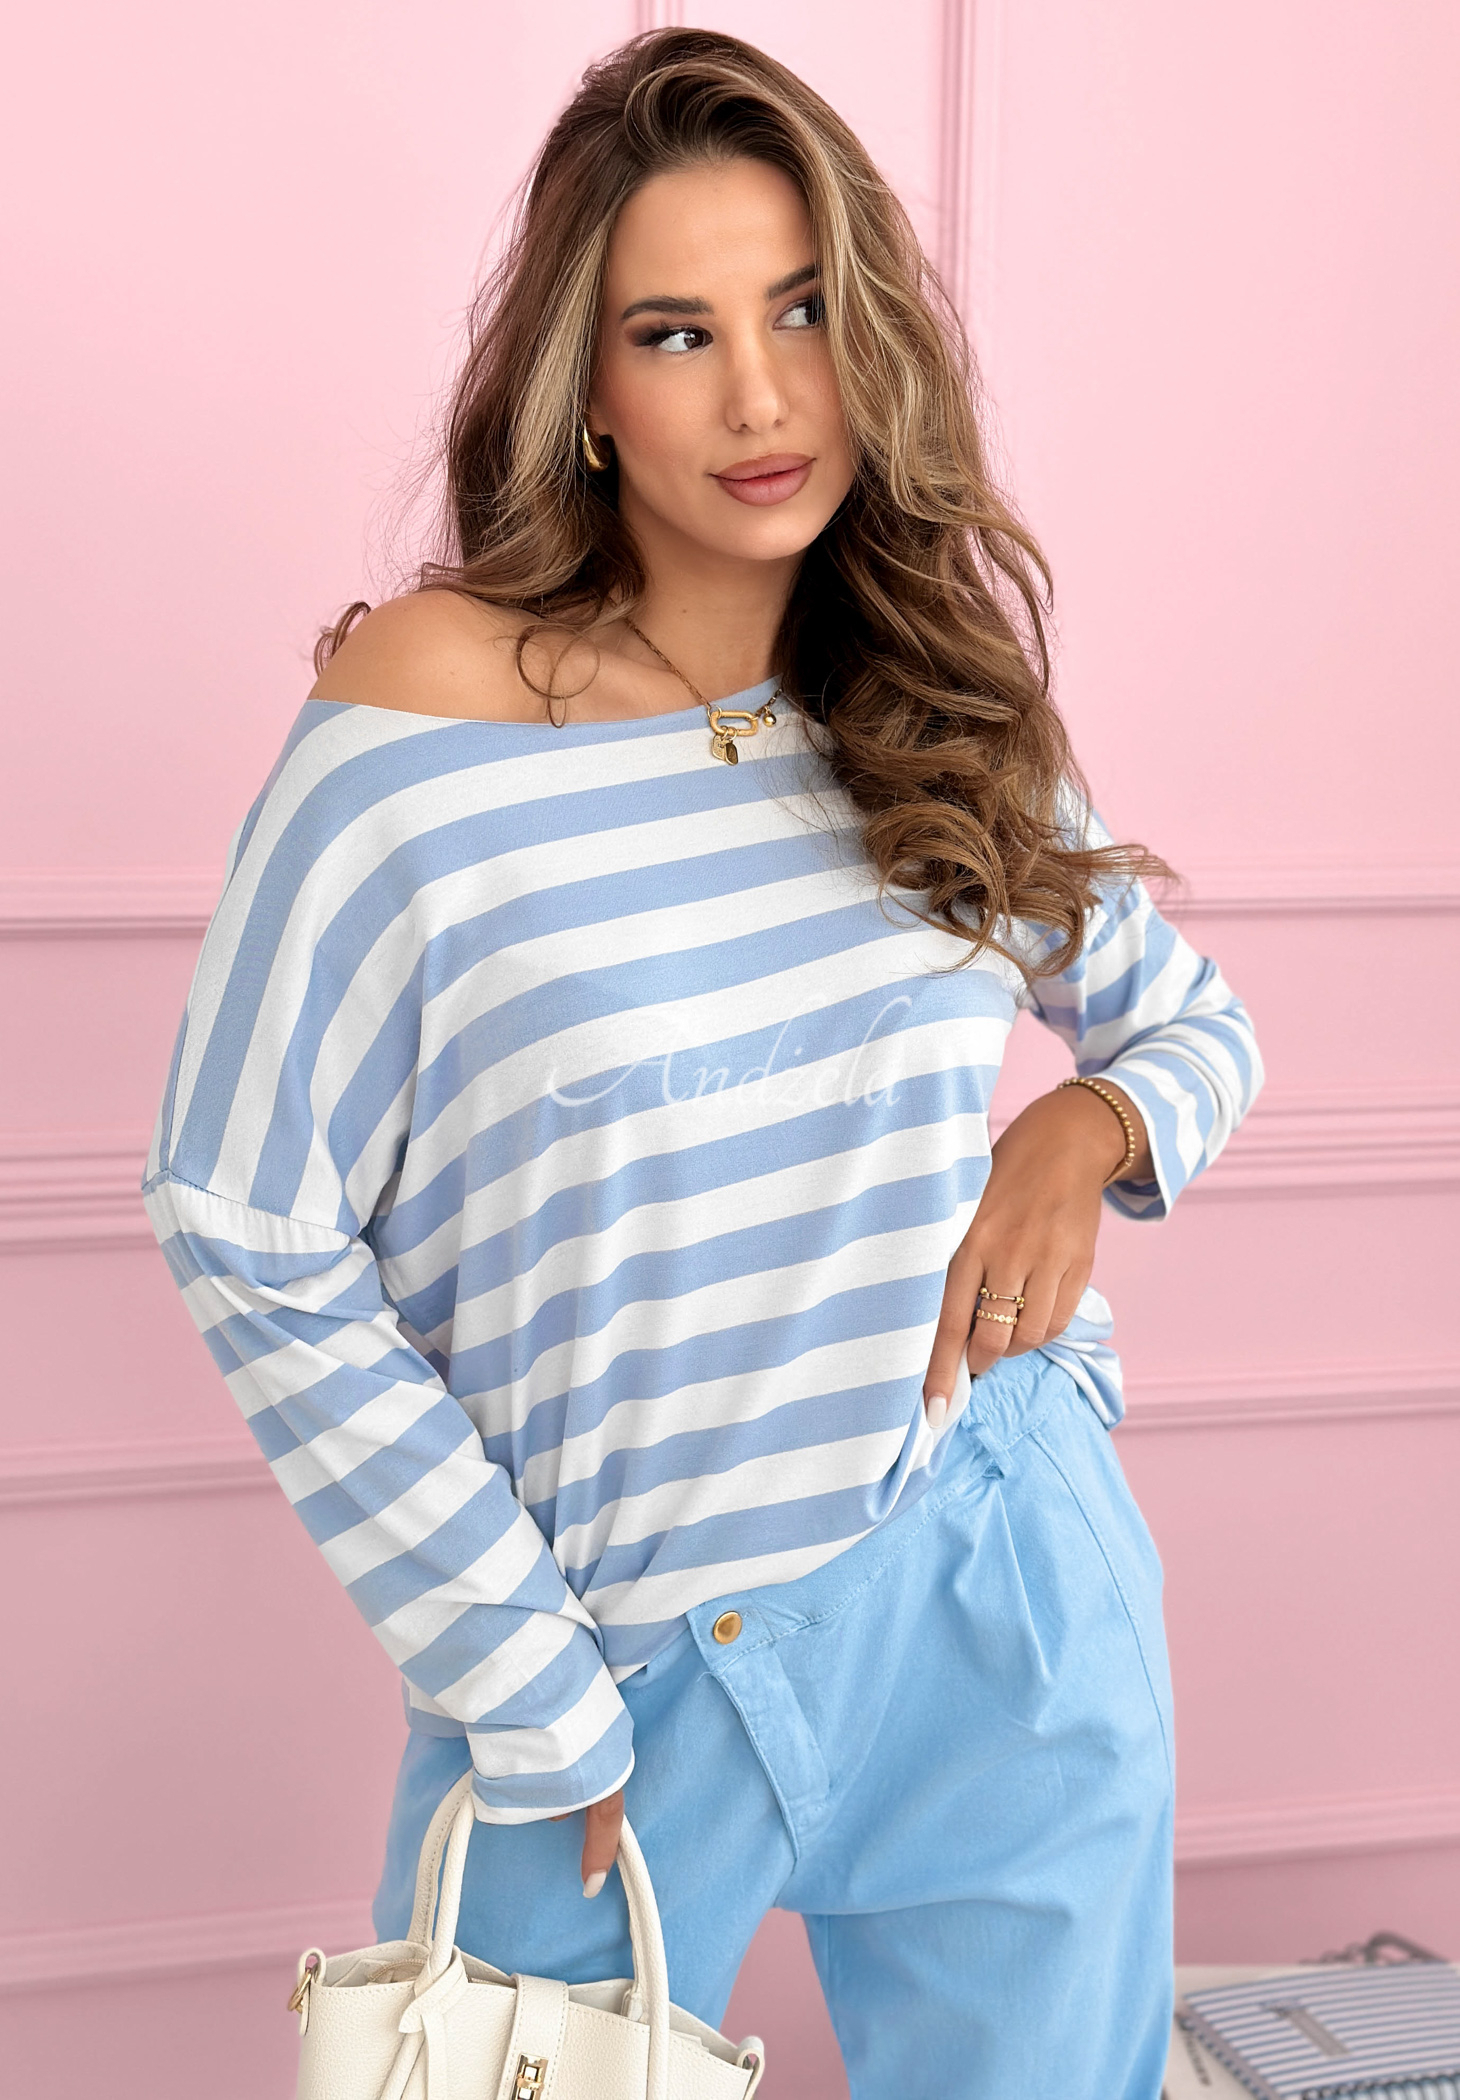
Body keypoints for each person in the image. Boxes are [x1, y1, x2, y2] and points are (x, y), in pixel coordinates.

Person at [142, 28, 1262, 2098]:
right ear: (585, 386)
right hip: (610, 1668)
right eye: (678, 333)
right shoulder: (426, 714)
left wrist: (1084, 1127)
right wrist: (521, 1681)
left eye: (805, 311)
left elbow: (1196, 1021)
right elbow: (241, 1216)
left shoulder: (932, 700)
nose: (760, 397)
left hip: (993, 1577)